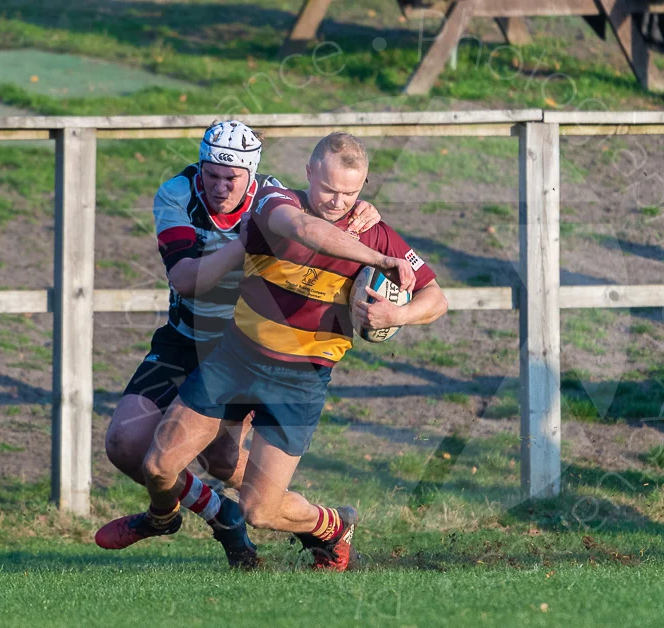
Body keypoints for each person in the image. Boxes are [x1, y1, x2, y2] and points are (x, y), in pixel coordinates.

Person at [100, 131, 447, 571]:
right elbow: (304, 229)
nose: (338, 201)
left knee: (261, 511)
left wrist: (397, 316)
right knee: (157, 466)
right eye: (328, 188)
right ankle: (161, 517)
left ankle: (333, 526)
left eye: (350, 192)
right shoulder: (275, 202)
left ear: (363, 189)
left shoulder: (377, 233)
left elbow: (437, 298)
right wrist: (377, 261)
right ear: (308, 173)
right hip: (233, 359)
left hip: (300, 380)